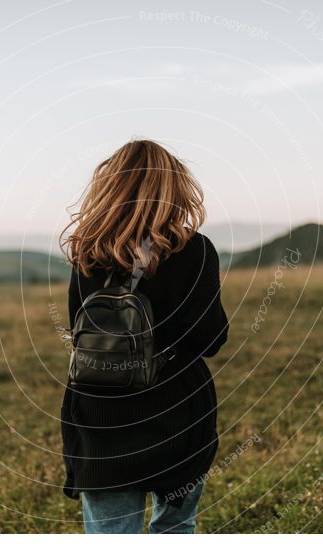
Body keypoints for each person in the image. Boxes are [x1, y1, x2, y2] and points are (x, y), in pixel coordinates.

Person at [59, 138, 229, 534]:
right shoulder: (195, 251)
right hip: (177, 412)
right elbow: (211, 339)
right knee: (174, 530)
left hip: (99, 416)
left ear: (110, 188)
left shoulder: (88, 252)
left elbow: (79, 331)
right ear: (175, 189)